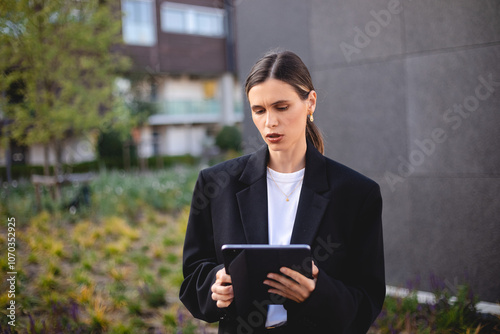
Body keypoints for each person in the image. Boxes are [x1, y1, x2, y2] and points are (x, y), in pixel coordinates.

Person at [179, 50, 385, 333]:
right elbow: (192, 279)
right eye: (259, 110)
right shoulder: (217, 184)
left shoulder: (356, 194)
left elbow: (367, 302)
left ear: (310, 102)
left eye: (282, 107)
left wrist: (316, 292)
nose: (269, 122)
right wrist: (216, 284)